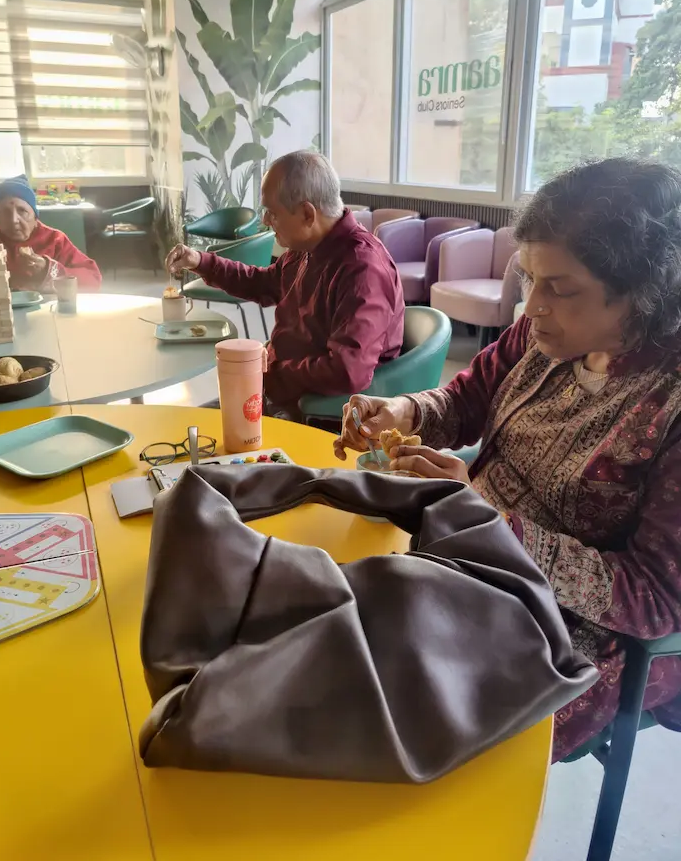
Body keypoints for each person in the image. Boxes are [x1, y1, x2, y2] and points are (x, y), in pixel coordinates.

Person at [335, 157, 681, 761]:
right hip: (470, 552)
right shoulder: (543, 334)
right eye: (528, 279)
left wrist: (491, 523)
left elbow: (654, 598)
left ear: (639, 294)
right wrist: (407, 412)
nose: (532, 306)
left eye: (560, 288)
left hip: (572, 633)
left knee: (405, 723)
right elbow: (466, 399)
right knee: (340, 629)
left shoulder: (668, 402)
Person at [166, 151, 404, 416]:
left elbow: (348, 371)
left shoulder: (362, 269)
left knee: (198, 438)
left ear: (306, 214)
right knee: (187, 425)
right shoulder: (306, 248)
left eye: (272, 212)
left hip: (312, 412)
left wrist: (269, 370)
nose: (266, 221)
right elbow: (263, 283)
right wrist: (200, 261)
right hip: (277, 391)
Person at [0, 175, 102, 300]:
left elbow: (92, 279)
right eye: (4, 212)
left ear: (35, 216)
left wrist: (49, 269)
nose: (13, 220)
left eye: (22, 211)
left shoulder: (54, 239)